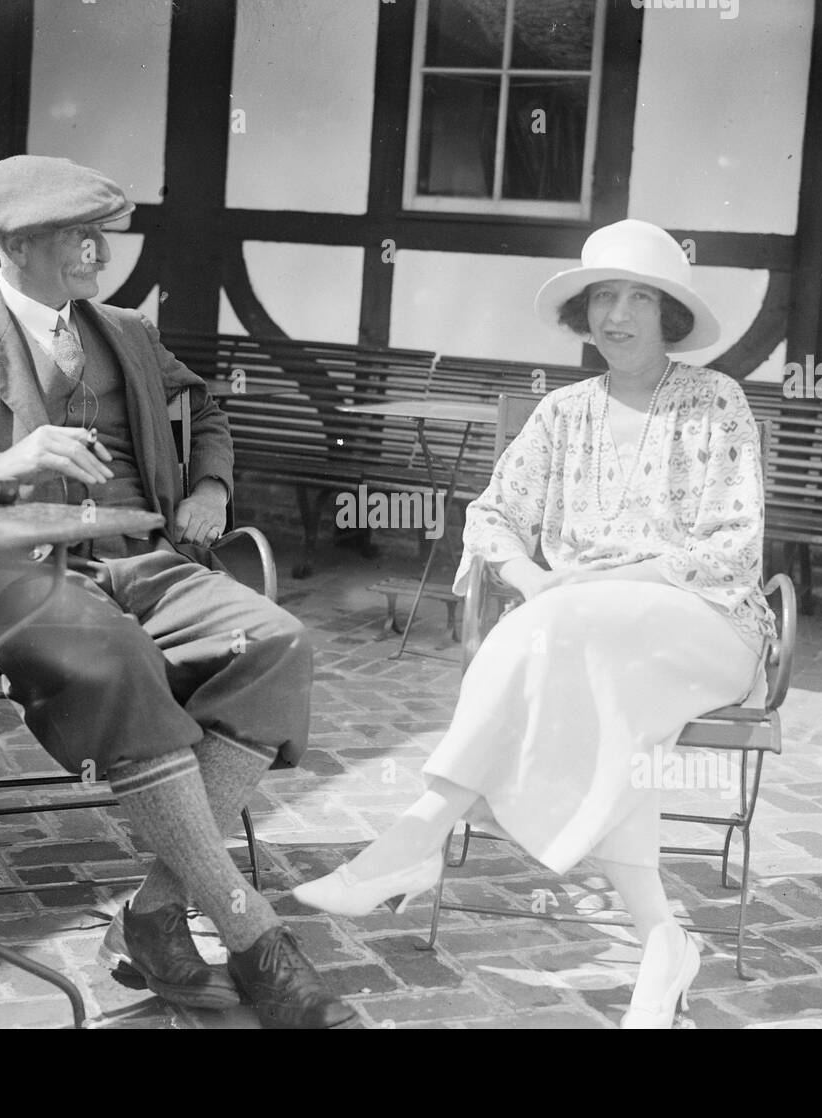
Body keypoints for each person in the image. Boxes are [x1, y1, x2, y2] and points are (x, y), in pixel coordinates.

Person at [0, 155, 355, 1030]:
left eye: (98, 232)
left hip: (142, 559)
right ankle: (254, 933)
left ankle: (151, 916)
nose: (96, 251)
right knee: (115, 658)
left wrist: (211, 489)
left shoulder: (125, 332)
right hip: (8, 577)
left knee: (275, 643)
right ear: (13, 243)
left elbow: (206, 408)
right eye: (75, 235)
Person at [293, 219, 776, 1029]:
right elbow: (490, 520)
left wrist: (590, 587)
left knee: (557, 633)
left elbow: (732, 549)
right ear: (583, 315)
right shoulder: (562, 413)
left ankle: (417, 837)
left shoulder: (714, 402)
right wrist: (536, 580)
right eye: (602, 299)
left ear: (670, 315)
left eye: (638, 299)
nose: (616, 316)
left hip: (708, 627)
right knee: (572, 656)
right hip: (584, 638)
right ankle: (663, 943)